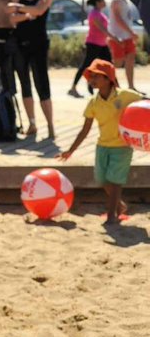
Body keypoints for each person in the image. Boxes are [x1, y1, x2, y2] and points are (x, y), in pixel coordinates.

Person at [58, 59, 139, 224]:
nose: (91, 79)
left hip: (122, 146)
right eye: (90, 76)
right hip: (102, 146)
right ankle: (120, 205)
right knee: (102, 179)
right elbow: (85, 130)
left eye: (96, 76)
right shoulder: (93, 102)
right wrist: (70, 150)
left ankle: (111, 216)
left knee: (115, 181)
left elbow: (145, 103)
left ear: (108, 78)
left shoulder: (125, 95)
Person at [9, 0, 55, 139]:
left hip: (39, 43)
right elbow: (12, 19)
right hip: (20, 44)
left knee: (42, 83)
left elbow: (41, 10)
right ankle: (32, 123)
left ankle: (50, 125)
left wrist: (22, 10)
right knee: (24, 84)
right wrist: (29, 14)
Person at [69, 0, 115, 97]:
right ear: (98, 2)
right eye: (102, 0)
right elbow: (102, 29)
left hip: (102, 44)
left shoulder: (100, 13)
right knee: (86, 65)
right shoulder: (94, 14)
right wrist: (114, 38)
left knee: (109, 66)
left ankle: (114, 88)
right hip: (93, 43)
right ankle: (73, 88)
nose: (104, 2)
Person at [107, 0, 139, 91]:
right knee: (118, 62)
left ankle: (131, 86)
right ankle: (111, 85)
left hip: (127, 36)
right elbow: (118, 19)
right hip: (117, 36)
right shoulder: (116, 0)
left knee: (130, 59)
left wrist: (131, 34)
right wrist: (131, 32)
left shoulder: (127, 0)